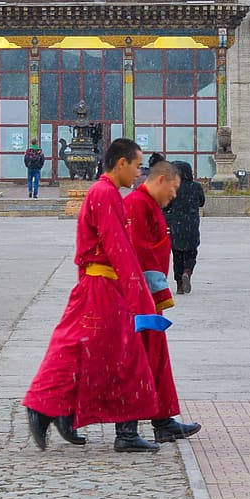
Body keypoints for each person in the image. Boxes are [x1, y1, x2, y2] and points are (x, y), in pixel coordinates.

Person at [24, 138, 161, 454]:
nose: (140, 173)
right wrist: (138, 294)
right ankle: (120, 430)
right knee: (126, 356)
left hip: (102, 285)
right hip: (102, 288)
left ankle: (54, 409)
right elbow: (118, 247)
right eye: (137, 166)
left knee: (81, 349)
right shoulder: (104, 194)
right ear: (121, 163)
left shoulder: (106, 193)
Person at [125, 160, 202, 443]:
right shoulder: (137, 204)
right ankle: (128, 429)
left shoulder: (149, 205)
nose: (174, 196)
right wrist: (155, 293)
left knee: (156, 359)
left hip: (149, 295)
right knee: (140, 358)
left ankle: (163, 418)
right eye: (173, 189)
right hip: (141, 296)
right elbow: (138, 252)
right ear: (160, 180)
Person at [164, 160, 205, 293]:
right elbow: (201, 202)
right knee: (191, 252)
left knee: (177, 255)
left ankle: (179, 285)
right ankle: (187, 272)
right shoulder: (196, 186)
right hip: (191, 224)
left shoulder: (172, 187)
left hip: (175, 225)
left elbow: (166, 205)